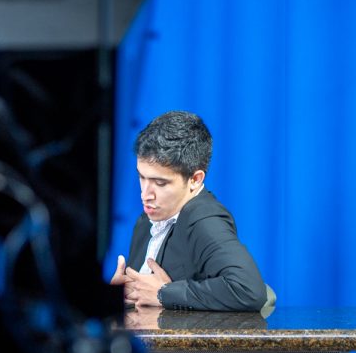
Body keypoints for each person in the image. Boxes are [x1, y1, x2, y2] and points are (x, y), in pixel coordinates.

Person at [110, 111, 271, 312]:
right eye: (142, 177)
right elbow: (142, 298)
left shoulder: (206, 221)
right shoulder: (146, 220)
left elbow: (249, 290)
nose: (145, 194)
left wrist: (165, 292)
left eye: (160, 183)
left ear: (195, 179)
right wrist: (118, 295)